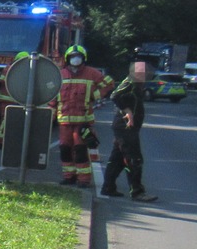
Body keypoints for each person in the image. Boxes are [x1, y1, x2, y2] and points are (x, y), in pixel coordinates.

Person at [56, 44, 115, 188]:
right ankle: (69, 176)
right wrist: (50, 109)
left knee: (80, 150)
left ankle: (83, 179)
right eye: (72, 57)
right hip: (64, 120)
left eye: (78, 57)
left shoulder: (92, 73)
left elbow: (109, 84)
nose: (75, 59)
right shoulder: (60, 74)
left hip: (83, 121)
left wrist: (94, 96)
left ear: (83, 58)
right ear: (67, 58)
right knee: (64, 149)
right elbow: (52, 92)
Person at [101, 63, 158, 202]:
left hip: (127, 127)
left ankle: (108, 187)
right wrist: (127, 111)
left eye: (144, 71)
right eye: (140, 71)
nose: (143, 74)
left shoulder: (137, 84)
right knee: (134, 159)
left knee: (118, 158)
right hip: (125, 127)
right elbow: (114, 96)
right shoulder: (130, 82)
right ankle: (137, 192)